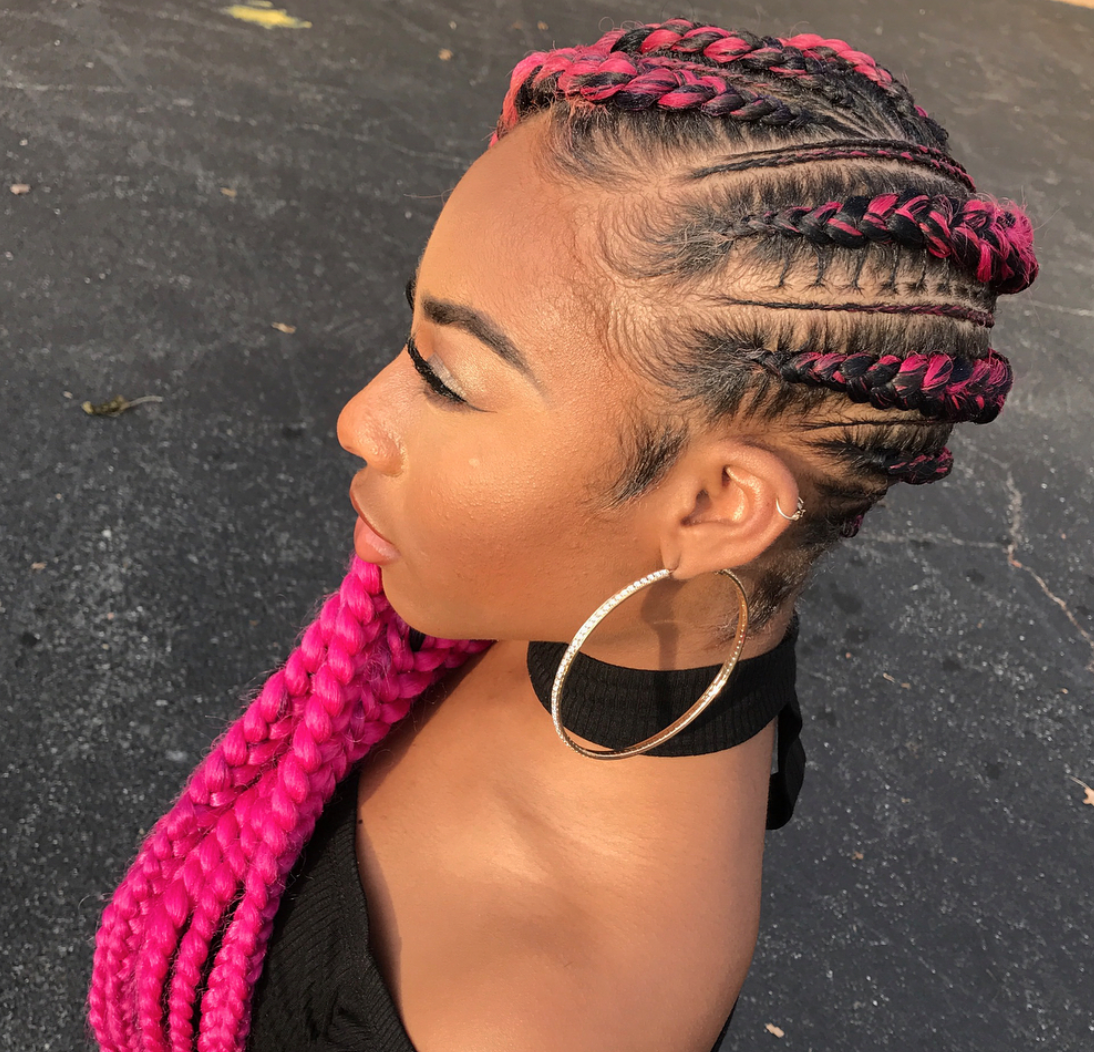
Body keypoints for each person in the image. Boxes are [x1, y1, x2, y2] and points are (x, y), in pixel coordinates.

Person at [87, 18, 1037, 1052]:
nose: (358, 419)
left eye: (448, 378)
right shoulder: (650, 621)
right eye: (414, 336)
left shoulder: (514, 1023)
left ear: (716, 507)